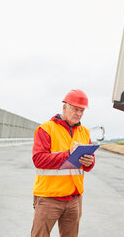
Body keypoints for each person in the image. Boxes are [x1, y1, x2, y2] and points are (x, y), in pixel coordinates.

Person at [31, 89, 95, 237]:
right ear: (64, 107)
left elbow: (88, 164)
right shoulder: (46, 129)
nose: (78, 113)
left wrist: (90, 162)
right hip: (48, 198)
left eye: (82, 111)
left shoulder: (84, 132)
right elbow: (38, 159)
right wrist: (68, 154)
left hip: (74, 199)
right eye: (75, 109)